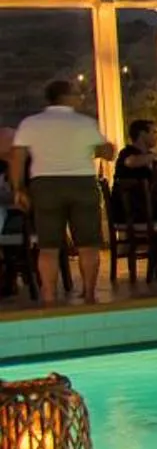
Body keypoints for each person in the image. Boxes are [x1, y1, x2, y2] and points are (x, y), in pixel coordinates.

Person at [8, 80, 114, 304]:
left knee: (48, 246)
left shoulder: (31, 123)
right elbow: (107, 153)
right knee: (88, 244)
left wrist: (18, 188)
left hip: (45, 184)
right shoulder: (85, 123)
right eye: (77, 94)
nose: (81, 98)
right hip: (82, 183)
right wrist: (101, 148)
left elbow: (17, 157)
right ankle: (89, 292)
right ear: (66, 97)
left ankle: (48, 294)